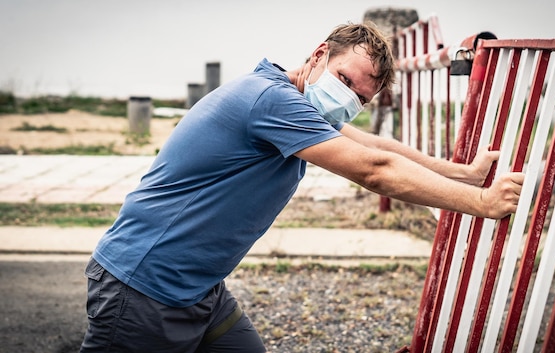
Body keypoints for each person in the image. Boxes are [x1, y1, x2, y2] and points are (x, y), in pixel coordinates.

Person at [80, 22, 524, 352]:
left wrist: (461, 173)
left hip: (197, 289)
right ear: (319, 55)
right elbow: (374, 170)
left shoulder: (292, 104)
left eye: (361, 99)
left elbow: (374, 144)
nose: (348, 98)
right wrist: (482, 202)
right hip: (142, 287)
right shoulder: (270, 100)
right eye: (345, 81)